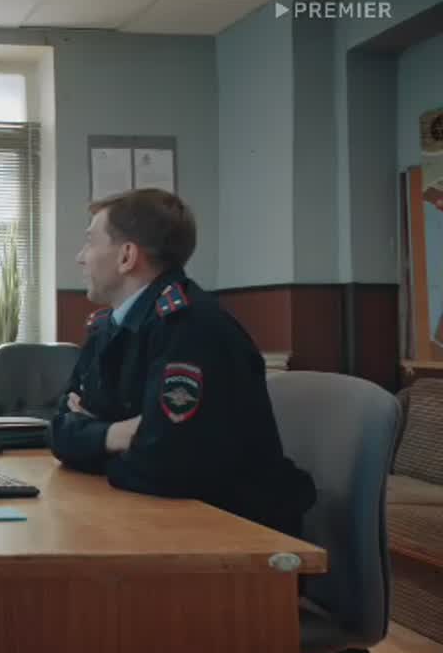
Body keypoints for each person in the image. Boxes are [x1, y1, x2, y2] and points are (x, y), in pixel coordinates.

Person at [50, 188, 316, 537]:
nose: (80, 258)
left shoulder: (191, 328)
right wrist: (117, 434)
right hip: (151, 517)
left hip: (232, 534)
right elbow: (59, 429)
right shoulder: (108, 327)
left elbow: (164, 466)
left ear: (127, 256)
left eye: (90, 242)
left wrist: (94, 440)